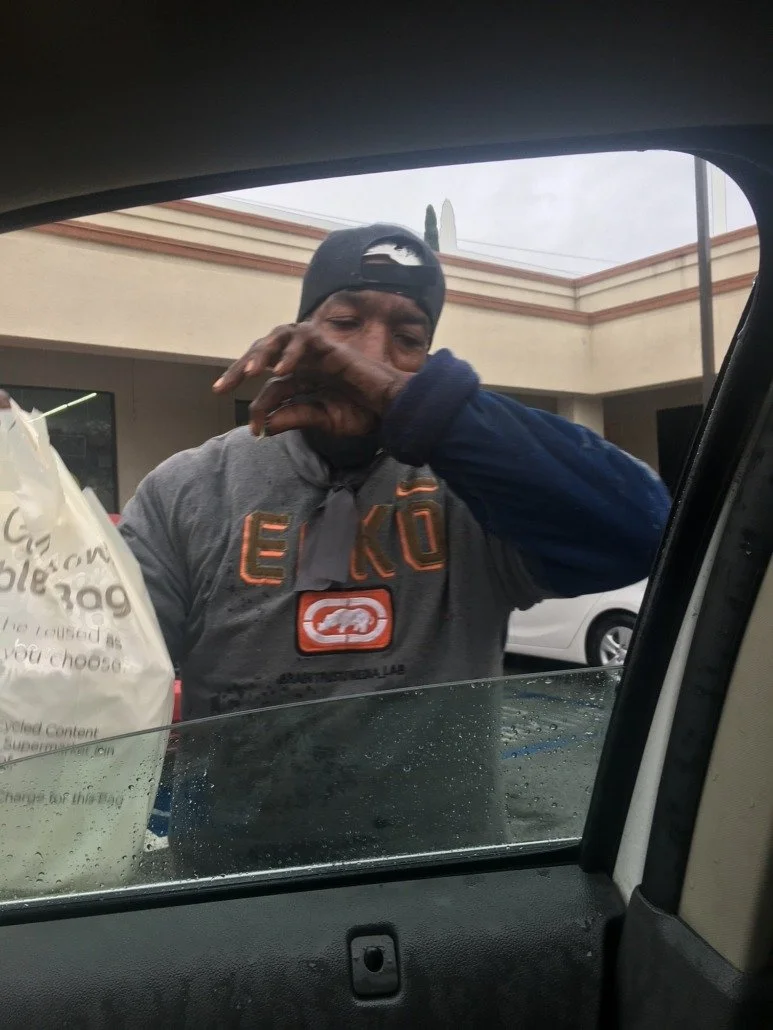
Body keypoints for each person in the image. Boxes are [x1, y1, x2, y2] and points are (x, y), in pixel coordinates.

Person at [117, 224, 670, 877]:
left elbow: (642, 531)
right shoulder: (187, 489)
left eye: (408, 339)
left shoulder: (472, 493)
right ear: (300, 336)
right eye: (344, 323)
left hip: (440, 885)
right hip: (234, 887)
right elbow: (101, 668)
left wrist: (420, 408)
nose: (372, 354)